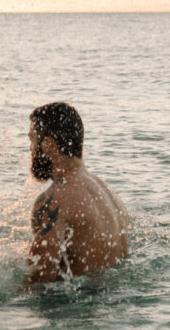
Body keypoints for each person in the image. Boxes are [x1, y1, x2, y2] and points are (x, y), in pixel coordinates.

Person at [23, 102, 129, 284]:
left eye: (32, 140)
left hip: (72, 308)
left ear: (47, 145)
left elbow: (38, 282)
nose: (30, 149)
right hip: (107, 297)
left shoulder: (54, 200)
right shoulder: (109, 193)